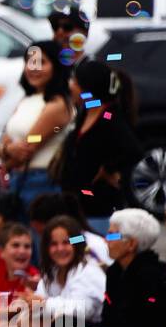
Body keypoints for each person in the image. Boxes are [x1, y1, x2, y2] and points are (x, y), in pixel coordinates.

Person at [51, 59, 142, 234]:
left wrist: (107, 169)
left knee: (95, 250)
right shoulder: (87, 111)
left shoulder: (109, 115)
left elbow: (133, 150)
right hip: (75, 207)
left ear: (86, 87)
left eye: (75, 82)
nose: (70, 86)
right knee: (76, 249)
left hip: (98, 208)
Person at [0, 41, 73, 220]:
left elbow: (27, 148)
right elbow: (5, 142)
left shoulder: (57, 104)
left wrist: (6, 155)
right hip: (19, 179)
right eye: (30, 61)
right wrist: (7, 150)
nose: (34, 68)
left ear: (56, 66)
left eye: (42, 62)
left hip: (40, 183)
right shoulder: (27, 99)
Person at [27, 190, 110, 267]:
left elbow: (82, 238)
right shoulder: (77, 239)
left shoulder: (85, 239)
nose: (44, 239)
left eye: (42, 233)